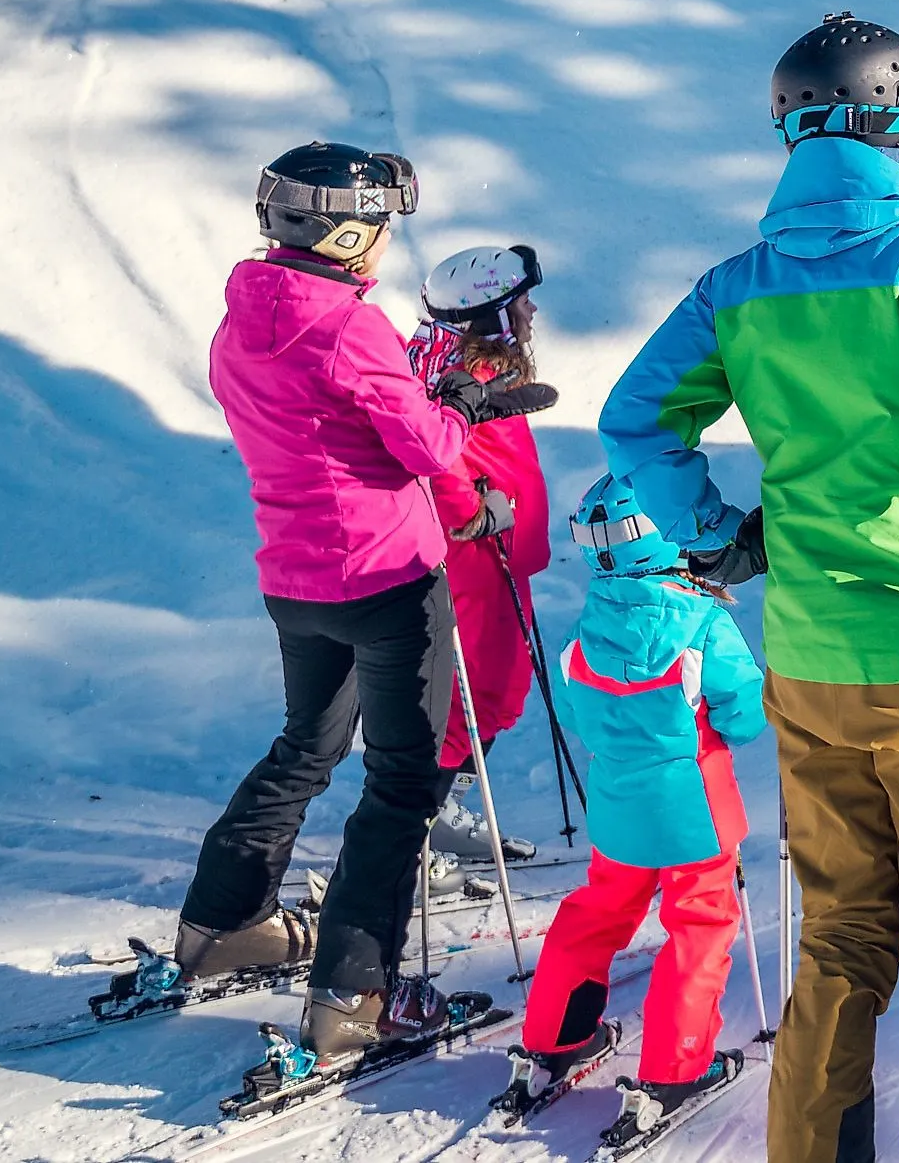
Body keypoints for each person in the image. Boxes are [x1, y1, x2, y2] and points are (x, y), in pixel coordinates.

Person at [600, 15, 899, 1163]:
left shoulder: (736, 286)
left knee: (844, 928)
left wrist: (719, 535)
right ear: (896, 117)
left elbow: (635, 421)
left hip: (806, 656)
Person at [177, 141, 557, 1065]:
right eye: (380, 222)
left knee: (307, 744)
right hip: (385, 579)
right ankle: (357, 991)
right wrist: (464, 401)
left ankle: (223, 921)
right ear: (346, 231)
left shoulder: (240, 322)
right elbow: (427, 445)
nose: (386, 239)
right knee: (400, 782)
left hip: (295, 576)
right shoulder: (351, 326)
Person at [515, 474, 766, 1143]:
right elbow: (744, 710)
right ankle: (675, 1065)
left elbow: (579, 711)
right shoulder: (704, 621)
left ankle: (556, 1032)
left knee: (598, 910)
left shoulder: (586, 630)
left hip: (619, 813)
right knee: (698, 925)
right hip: (693, 813)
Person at [406, 243, 552, 863]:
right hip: (474, 553)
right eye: (520, 303)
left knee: (498, 689)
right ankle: (413, 831)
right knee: (473, 696)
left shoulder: (482, 372)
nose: (531, 312)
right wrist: (470, 516)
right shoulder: (458, 379)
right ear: (490, 317)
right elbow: (436, 456)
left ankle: (438, 811)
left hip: (501, 548)